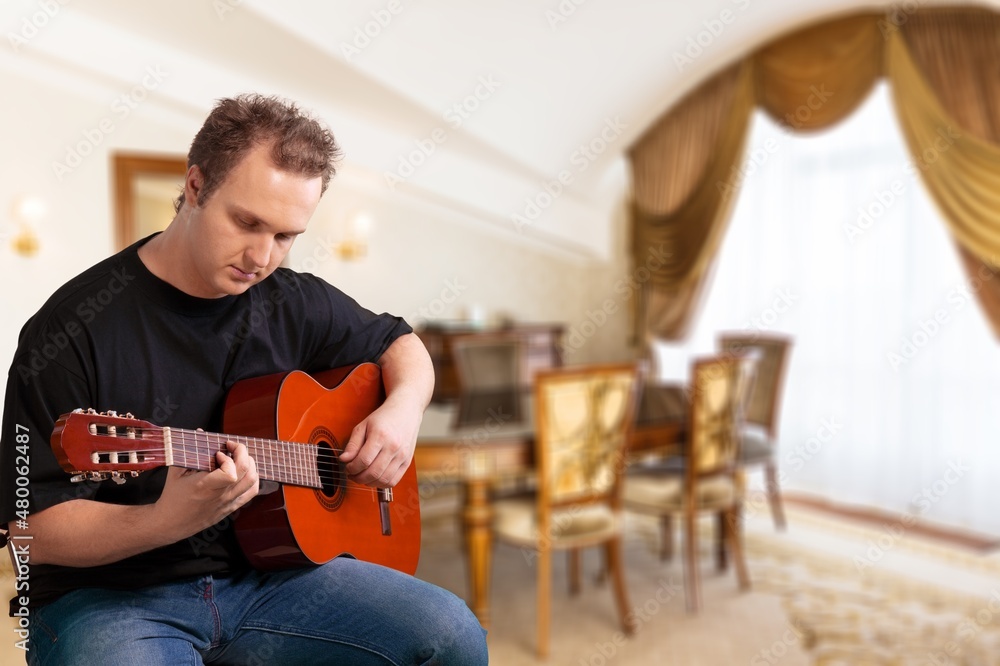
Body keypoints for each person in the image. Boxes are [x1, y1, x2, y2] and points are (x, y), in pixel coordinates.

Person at [0, 93, 489, 665]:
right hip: (111, 596)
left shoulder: (294, 300)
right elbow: (29, 530)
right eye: (247, 222)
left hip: (273, 576)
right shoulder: (71, 328)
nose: (262, 256)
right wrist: (162, 521)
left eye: (286, 236)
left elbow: (402, 344)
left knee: (452, 634)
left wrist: (403, 411)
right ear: (195, 186)